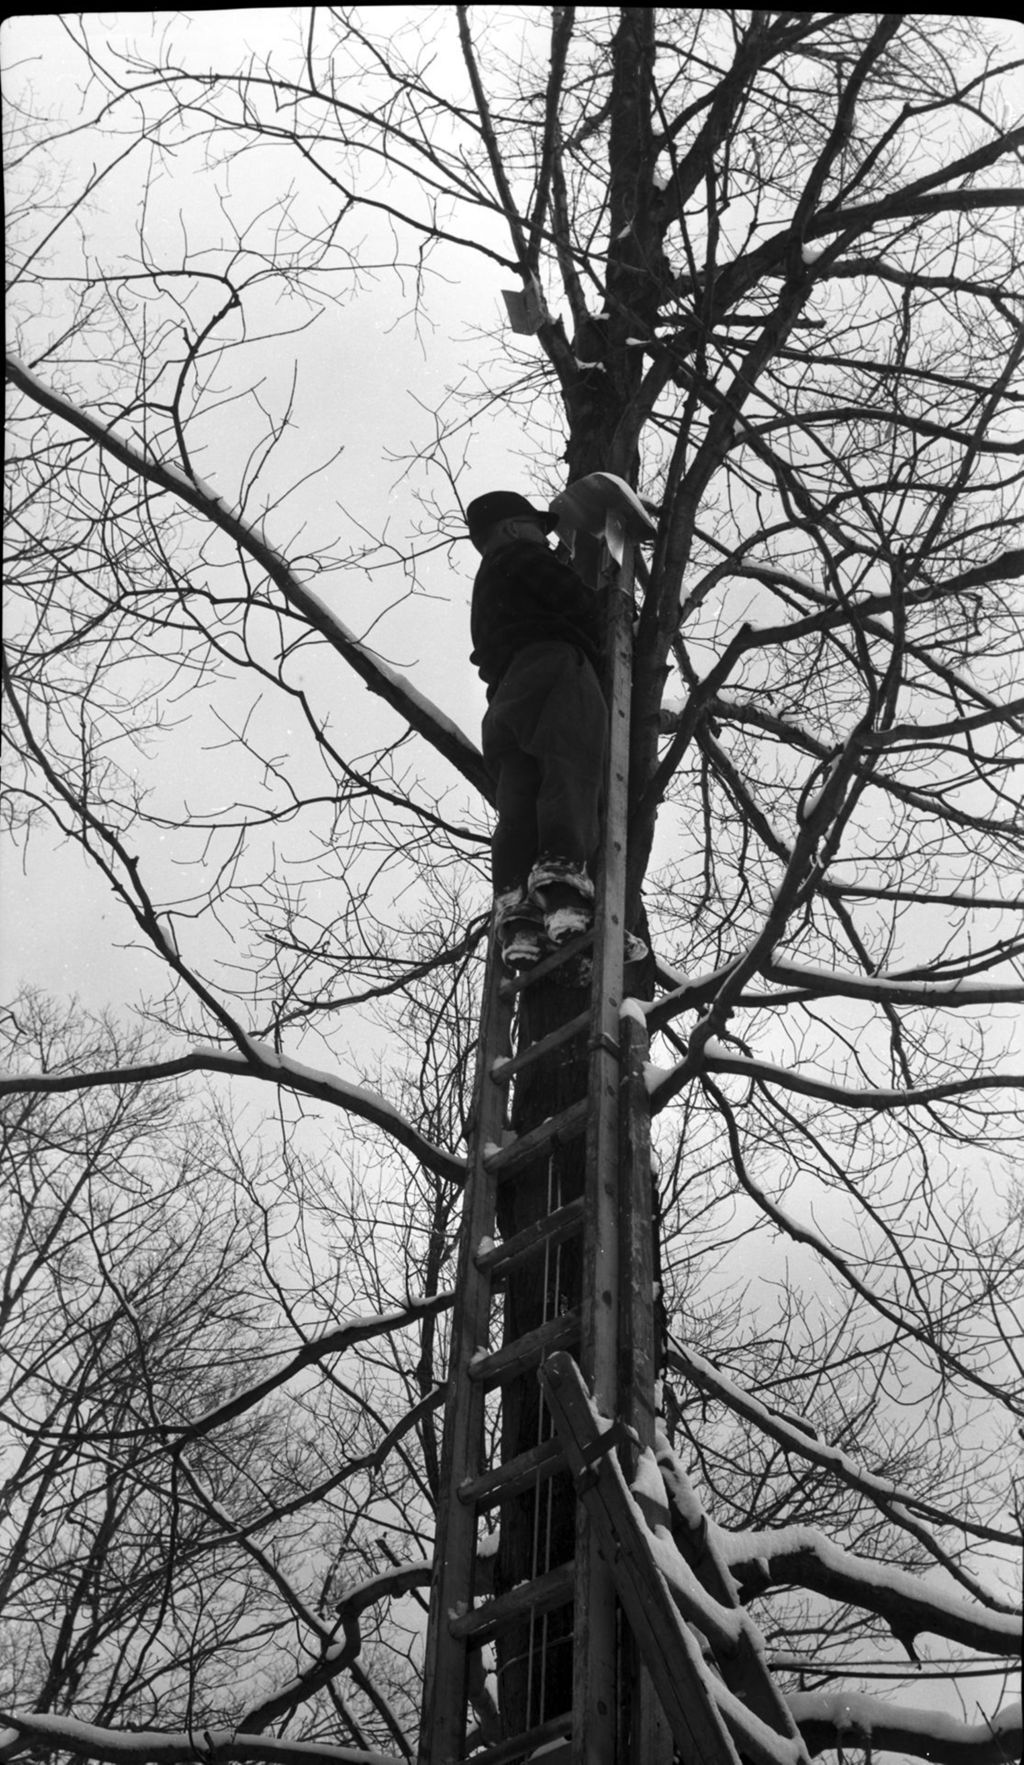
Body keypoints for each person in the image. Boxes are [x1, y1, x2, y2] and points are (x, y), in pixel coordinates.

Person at [467, 489, 609, 969]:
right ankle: (562, 882)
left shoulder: (489, 583)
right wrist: (604, 598)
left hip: (505, 698)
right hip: (551, 666)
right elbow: (579, 603)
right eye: (535, 528)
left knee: (519, 799)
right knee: (571, 763)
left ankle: (519, 911)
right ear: (510, 528)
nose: (544, 540)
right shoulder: (521, 557)